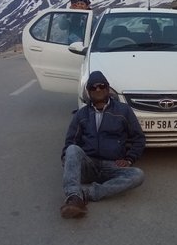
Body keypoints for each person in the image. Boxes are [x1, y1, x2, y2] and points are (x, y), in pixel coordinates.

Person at [60, 70, 146, 219]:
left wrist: (129, 159)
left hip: (112, 166)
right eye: (93, 87)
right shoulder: (81, 114)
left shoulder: (123, 111)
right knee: (72, 149)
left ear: (107, 88)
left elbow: (139, 138)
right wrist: (69, 163)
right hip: (89, 164)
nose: (98, 89)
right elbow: (70, 141)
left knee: (138, 175)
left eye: (101, 86)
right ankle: (73, 198)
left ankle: (86, 194)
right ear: (88, 92)